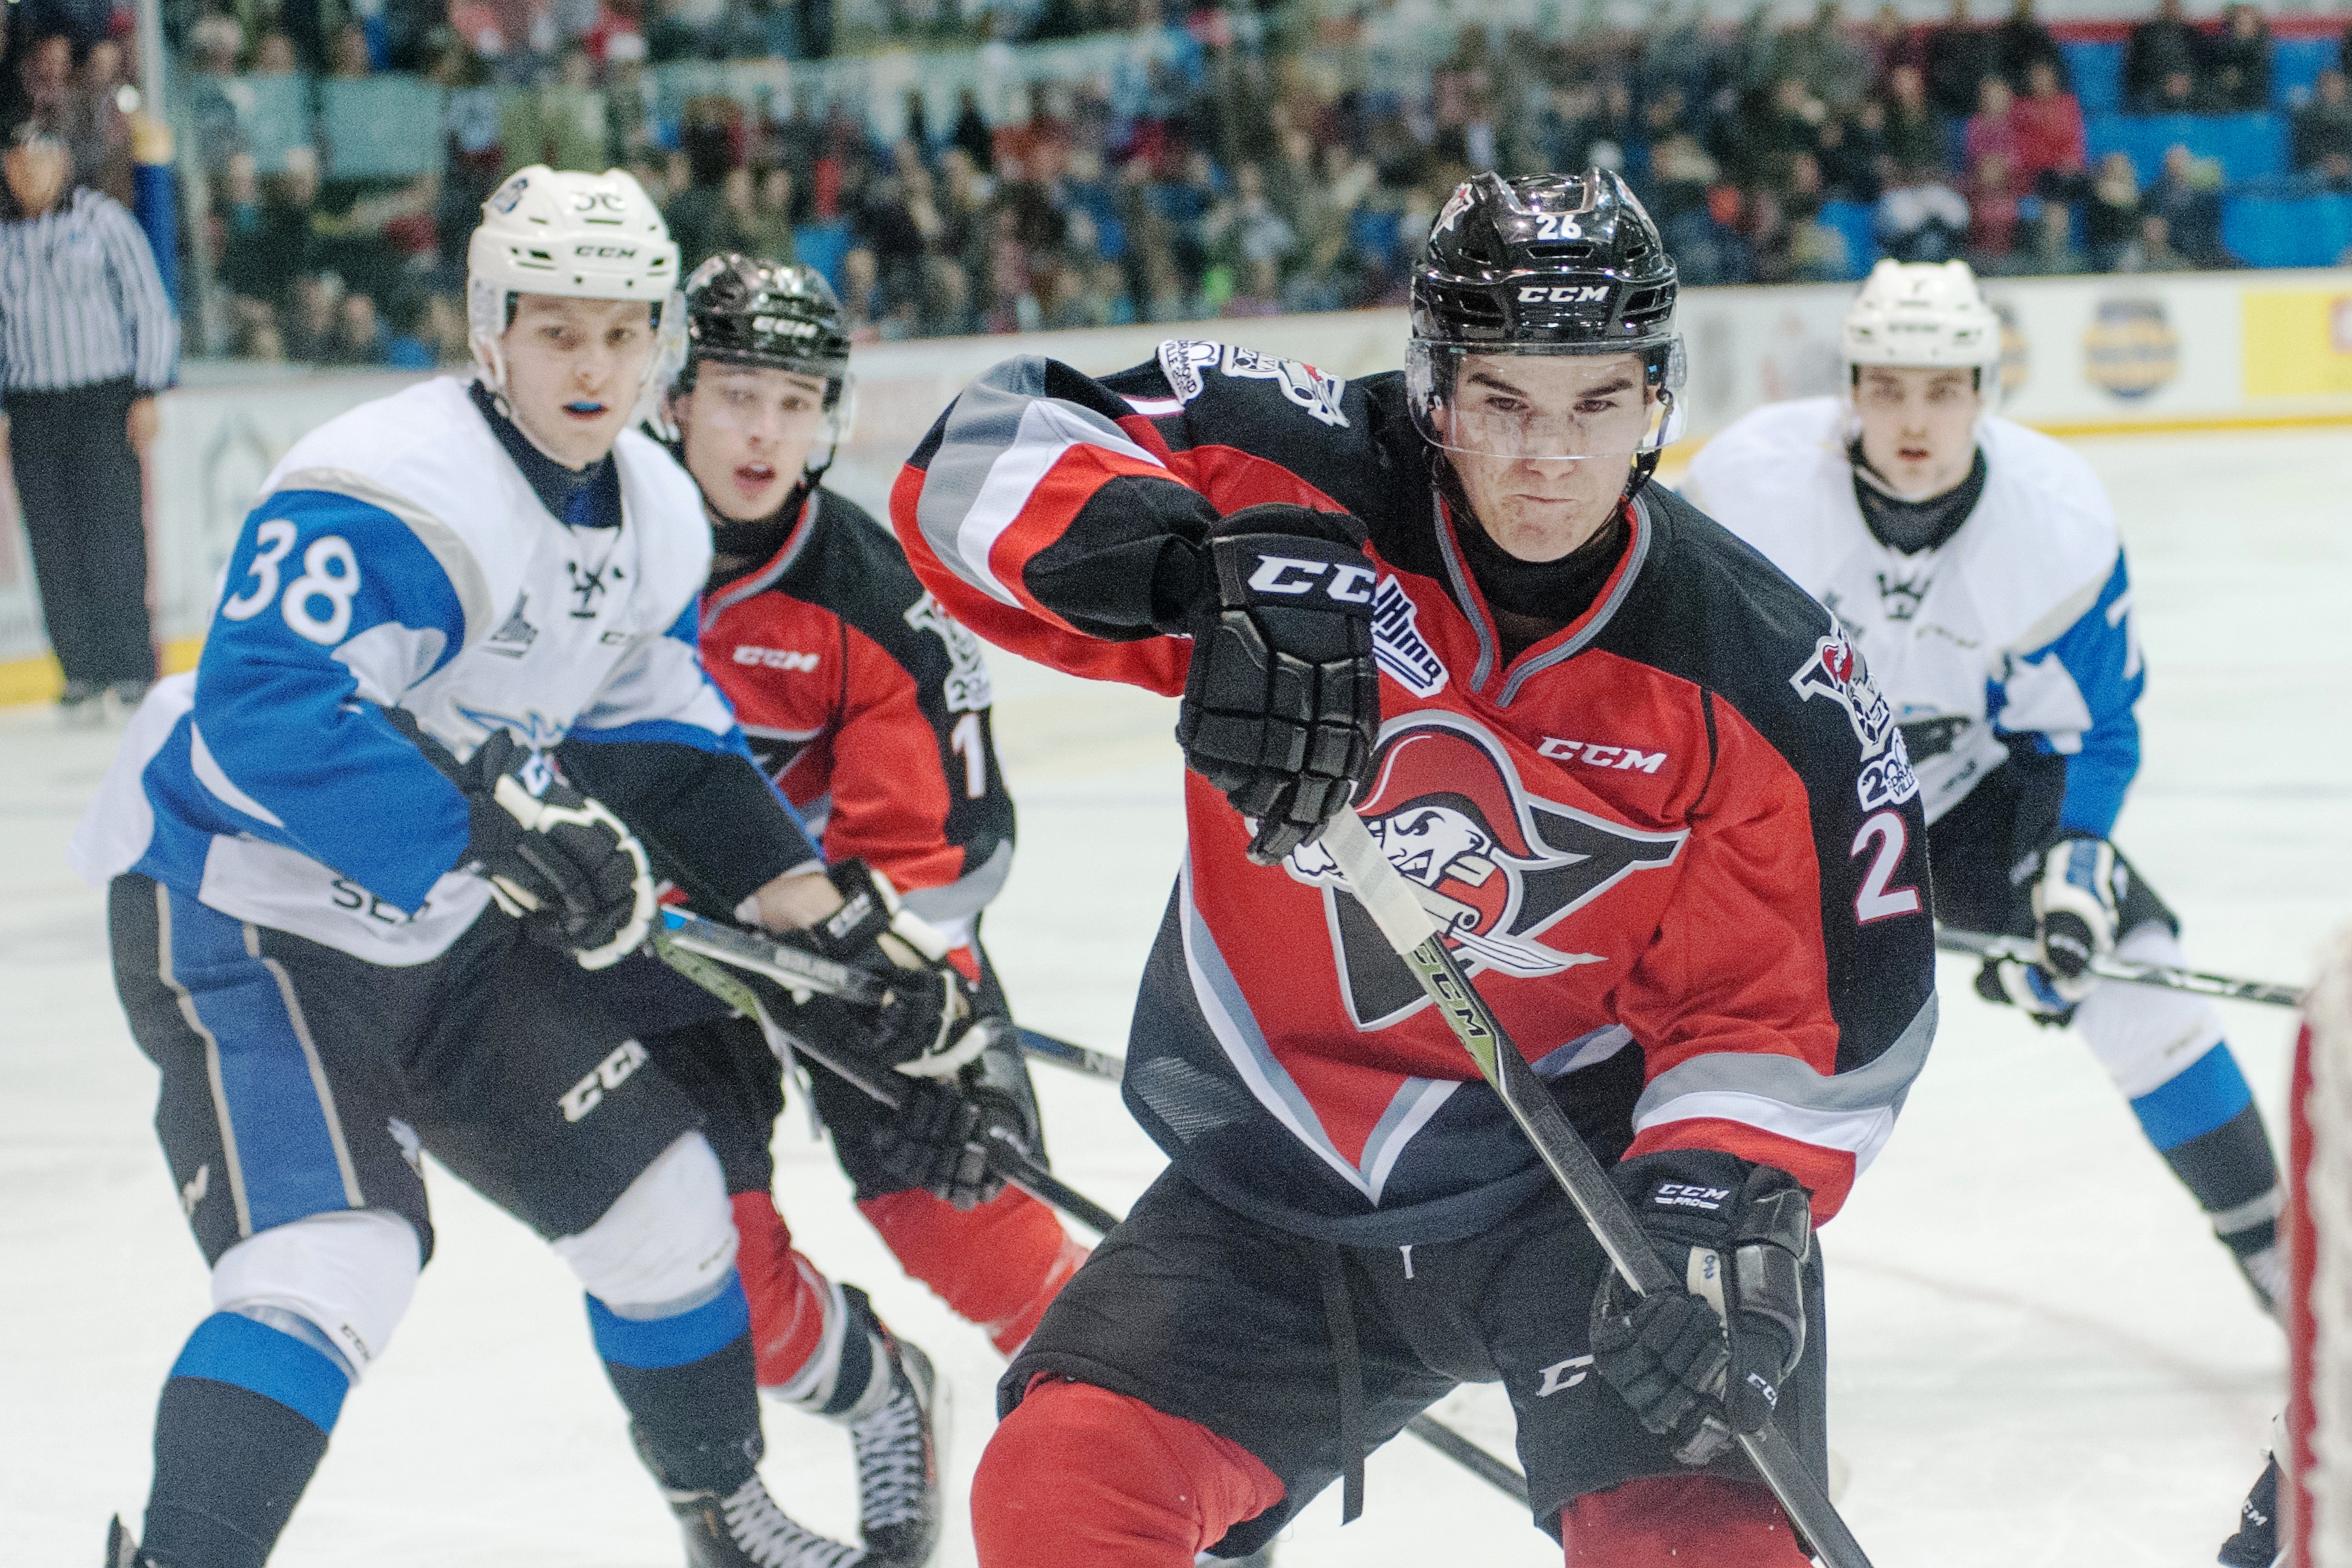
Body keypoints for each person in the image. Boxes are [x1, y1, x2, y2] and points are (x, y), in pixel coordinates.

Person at [891, 168, 1938, 1566]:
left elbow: (1809, 1007)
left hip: (1582, 1196)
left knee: (1704, 1548)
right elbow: (978, 452)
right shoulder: (1293, 468)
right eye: (1503, 401)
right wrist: (1193, 576)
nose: (1547, 457)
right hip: (1279, 1169)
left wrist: (1711, 1198)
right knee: (1062, 1490)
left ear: (1656, 402)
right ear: (1435, 387)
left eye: (1594, 404)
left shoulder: (1765, 673)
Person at [69, 165, 972, 1568]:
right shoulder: (398, 485)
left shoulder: (655, 517)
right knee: (336, 1263)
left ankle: (722, 1520)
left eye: (622, 331)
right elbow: (265, 707)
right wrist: (493, 830)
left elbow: (664, 739)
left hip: (438, 931)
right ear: (490, 330)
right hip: (239, 908)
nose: (593, 365)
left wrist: (834, 926)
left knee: (669, 1215)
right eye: (558, 330)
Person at [1682, 259, 2286, 1315]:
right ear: (1853, 389)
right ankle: (1641, 1281)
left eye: (1945, 389)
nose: (1916, 418)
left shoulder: (2055, 520)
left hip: (1960, 801)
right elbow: (1671, 680)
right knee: (1680, 1019)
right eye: (1892, 387)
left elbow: (2092, 732)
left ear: (1985, 390)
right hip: (1779, 812)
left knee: (2138, 982)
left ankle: (2297, 1282)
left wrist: (2072, 872)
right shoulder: (1747, 490)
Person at [641, 251, 1086, 1508]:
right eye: (737, 395)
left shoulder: (873, 597)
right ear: (674, 396)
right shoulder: (590, 557)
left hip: (850, 960)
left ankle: (1142, 1441)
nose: (763, 432)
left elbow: (948, 850)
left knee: (967, 1230)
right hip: (657, 959)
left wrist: (907, 994)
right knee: (692, 1254)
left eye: (793, 402)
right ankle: (877, 1388)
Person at [0, 118, 176, 724]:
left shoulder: (102, 221)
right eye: (17, 161)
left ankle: (130, 669)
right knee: (52, 541)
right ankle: (78, 673)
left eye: (40, 158)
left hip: (101, 401)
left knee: (113, 535)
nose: (28, 172)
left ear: (63, 160)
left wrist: (148, 388)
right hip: (31, 406)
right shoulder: (2, 237)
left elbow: (148, 304)